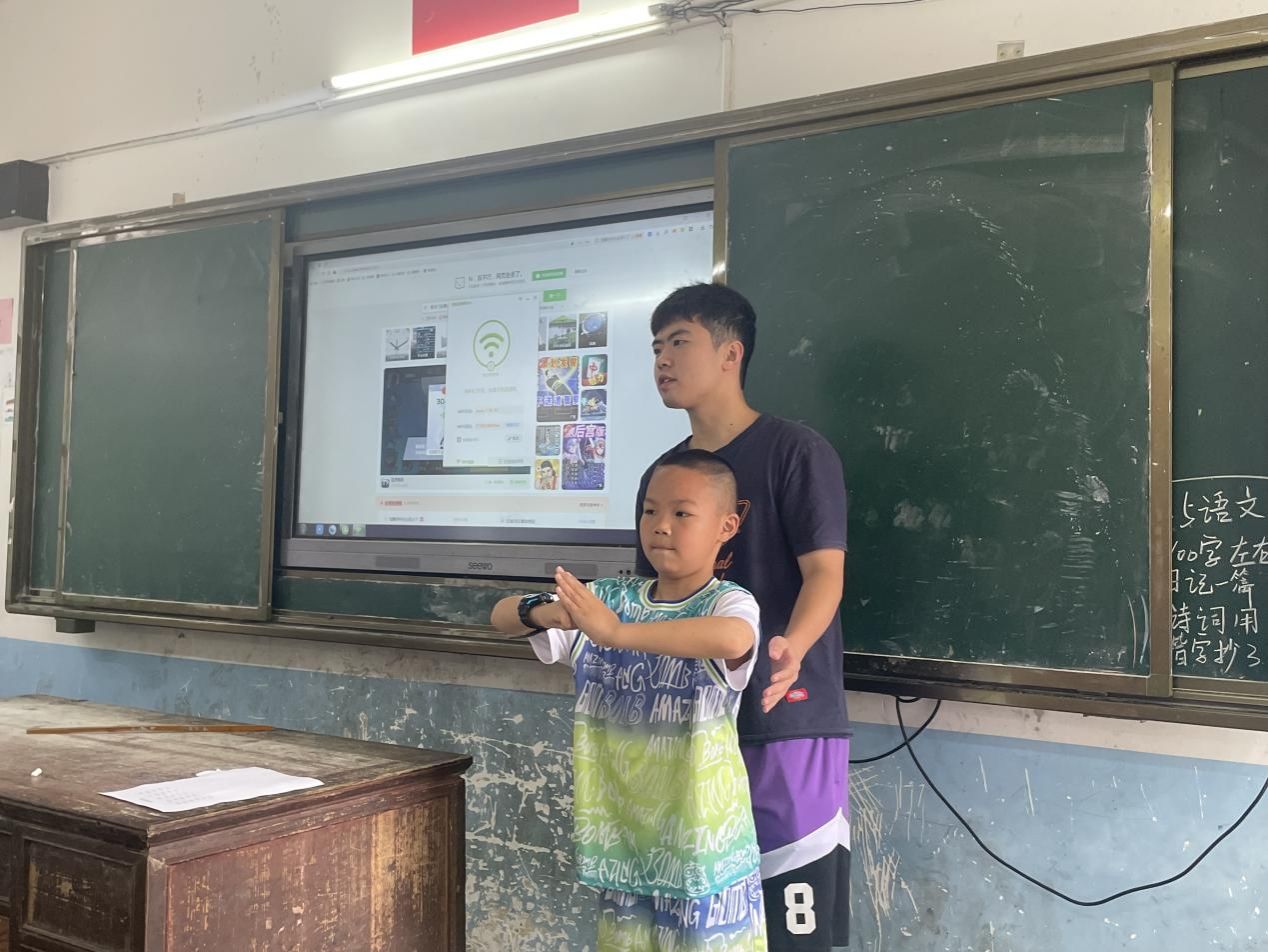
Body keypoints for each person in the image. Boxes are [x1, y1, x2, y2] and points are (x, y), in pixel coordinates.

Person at [636, 283, 850, 951]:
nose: (662, 359)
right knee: (700, 928)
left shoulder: (794, 451)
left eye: (679, 342)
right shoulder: (664, 475)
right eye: (656, 346)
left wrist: (793, 646)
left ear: (731, 354)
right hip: (692, 730)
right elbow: (652, 603)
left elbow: (825, 574)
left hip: (783, 721)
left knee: (789, 926)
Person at [491, 451, 768, 951]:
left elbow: (733, 639)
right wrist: (544, 612)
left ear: (726, 527)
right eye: (650, 511)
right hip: (625, 845)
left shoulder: (727, 602)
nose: (661, 525)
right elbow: (502, 615)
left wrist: (616, 634)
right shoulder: (610, 598)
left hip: (703, 850)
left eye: (682, 513)